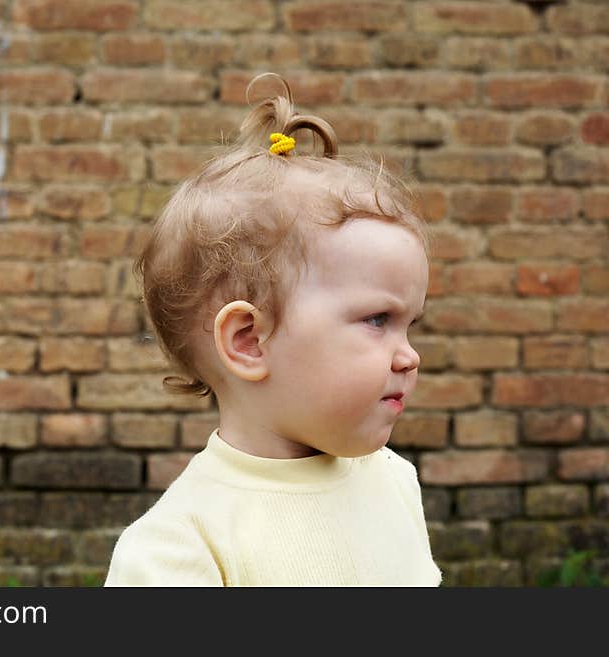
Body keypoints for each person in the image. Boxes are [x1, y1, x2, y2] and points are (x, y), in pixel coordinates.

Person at [104, 72, 442, 586]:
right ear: (248, 341)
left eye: (408, 324)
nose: (409, 356)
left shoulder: (395, 481)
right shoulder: (182, 547)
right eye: (378, 320)